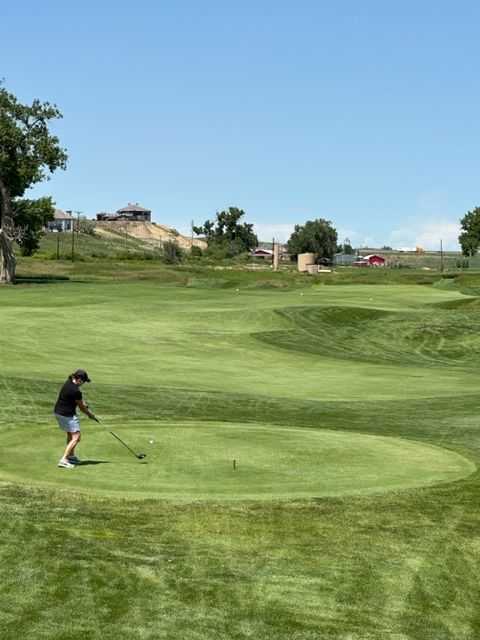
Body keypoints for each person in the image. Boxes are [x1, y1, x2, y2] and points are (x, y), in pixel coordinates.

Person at [53, 369, 97, 469]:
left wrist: (83, 403)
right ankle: (63, 460)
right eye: (84, 381)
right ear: (80, 379)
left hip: (58, 413)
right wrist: (90, 415)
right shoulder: (76, 391)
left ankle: (71, 457)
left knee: (70, 434)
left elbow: (79, 402)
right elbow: (81, 407)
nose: (84, 383)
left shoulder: (68, 383)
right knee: (76, 437)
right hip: (67, 415)